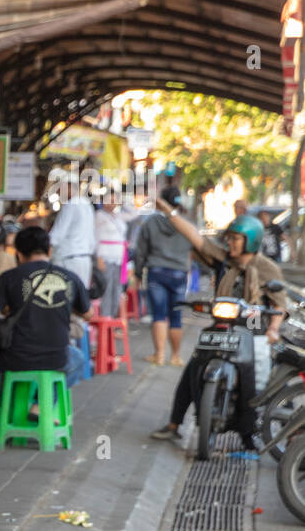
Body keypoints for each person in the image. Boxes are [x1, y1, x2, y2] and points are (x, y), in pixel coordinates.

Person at [148, 210, 286, 451]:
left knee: (251, 380)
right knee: (192, 368)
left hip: (251, 328)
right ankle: (173, 424)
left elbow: (279, 304)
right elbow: (195, 237)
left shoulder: (267, 268)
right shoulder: (223, 260)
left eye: (235, 239)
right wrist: (168, 211)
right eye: (229, 238)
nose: (229, 242)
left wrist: (273, 329)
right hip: (222, 325)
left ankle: (247, 434)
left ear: (250, 241)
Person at [0, 226, 91, 434]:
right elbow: (88, 315)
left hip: (16, 357)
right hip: (58, 357)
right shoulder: (69, 277)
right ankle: (41, 405)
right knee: (78, 359)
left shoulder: (10, 277)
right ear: (49, 250)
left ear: (18, 253)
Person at [133, 186, 193, 366]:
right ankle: (175, 356)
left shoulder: (151, 222)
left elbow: (141, 250)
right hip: (179, 273)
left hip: (157, 272)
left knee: (158, 314)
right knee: (176, 316)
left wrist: (137, 272)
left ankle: (159, 355)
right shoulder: (185, 222)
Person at [49, 193, 96, 290]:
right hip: (84, 258)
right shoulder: (87, 205)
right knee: (81, 295)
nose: (58, 192)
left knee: (66, 294)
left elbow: (57, 235)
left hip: (69, 258)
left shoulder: (70, 205)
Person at [94, 191, 129, 318]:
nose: (112, 203)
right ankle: (105, 318)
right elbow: (95, 237)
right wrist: (98, 257)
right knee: (106, 289)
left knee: (117, 290)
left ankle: (112, 321)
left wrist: (123, 201)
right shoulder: (99, 216)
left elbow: (134, 214)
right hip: (105, 257)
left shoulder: (118, 216)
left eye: (115, 200)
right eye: (110, 200)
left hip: (119, 258)